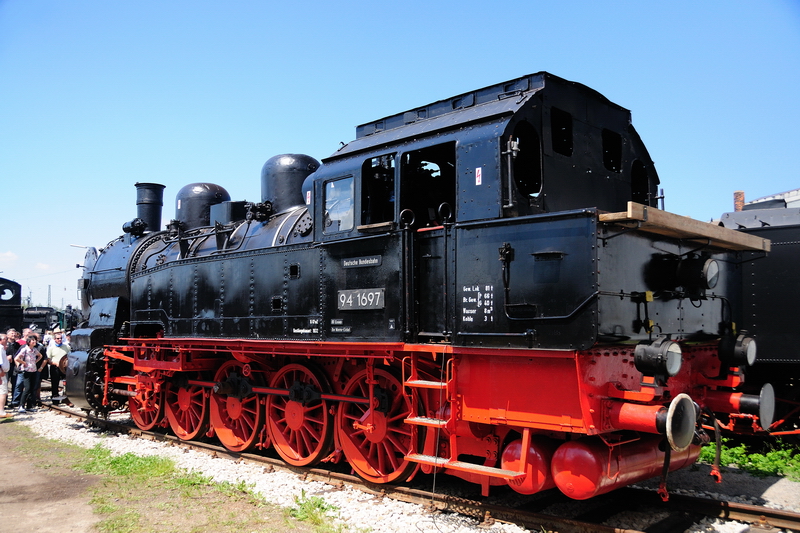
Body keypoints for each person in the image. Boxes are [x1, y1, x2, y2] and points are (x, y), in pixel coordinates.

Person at [14, 335, 42, 413]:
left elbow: (40, 356)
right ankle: (21, 405)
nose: (34, 341)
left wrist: (34, 362)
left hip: (33, 370)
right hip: (26, 370)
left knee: (32, 388)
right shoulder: (25, 349)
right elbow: (16, 358)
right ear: (29, 342)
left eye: (35, 340)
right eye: (32, 340)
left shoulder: (34, 350)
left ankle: (29, 406)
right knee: (27, 388)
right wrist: (24, 363)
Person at [46, 330, 71, 405]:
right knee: (55, 383)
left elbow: (70, 356)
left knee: (67, 383)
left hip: (65, 368)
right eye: (58, 338)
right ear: (54, 339)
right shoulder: (51, 348)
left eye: (60, 338)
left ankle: (66, 398)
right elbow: (48, 359)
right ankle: (55, 399)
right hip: (55, 367)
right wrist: (54, 363)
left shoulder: (67, 347)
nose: (59, 340)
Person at [0, 333, 12, 417]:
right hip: (1, 373)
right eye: (5, 339)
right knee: (3, 392)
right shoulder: (0, 348)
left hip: (2, 372)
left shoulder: (2, 348)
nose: (7, 340)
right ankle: (1, 411)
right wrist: (1, 372)